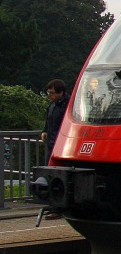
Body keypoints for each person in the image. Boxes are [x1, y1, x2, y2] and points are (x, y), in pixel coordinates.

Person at [40, 79, 69, 219]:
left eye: (52, 93)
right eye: (48, 92)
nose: (49, 95)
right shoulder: (52, 105)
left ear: (60, 92)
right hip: (51, 144)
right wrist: (45, 131)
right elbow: (48, 120)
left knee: (58, 175)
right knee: (49, 174)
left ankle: (58, 207)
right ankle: (53, 205)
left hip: (61, 146)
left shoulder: (68, 105)